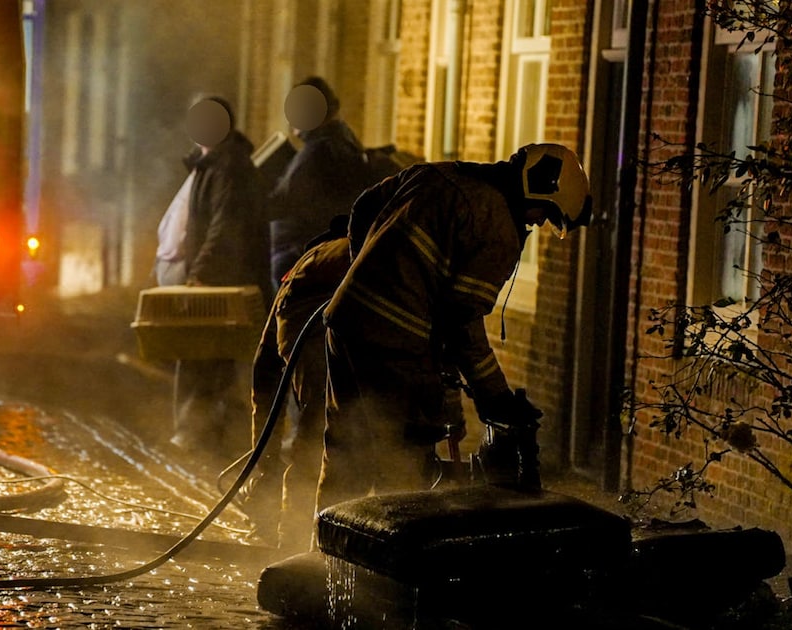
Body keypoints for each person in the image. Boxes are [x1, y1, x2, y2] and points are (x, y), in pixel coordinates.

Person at [314, 143, 593, 515]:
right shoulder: (497, 228)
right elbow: (462, 325)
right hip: (398, 346)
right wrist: (495, 397)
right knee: (403, 470)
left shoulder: (436, 173)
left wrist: (368, 273)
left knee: (345, 452)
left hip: (346, 322)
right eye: (546, 213)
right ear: (537, 191)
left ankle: (324, 546)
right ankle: (394, 548)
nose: (539, 223)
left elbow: (364, 207)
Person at [156, 95, 269, 461]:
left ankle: (204, 438)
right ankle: (203, 436)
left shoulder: (228, 168)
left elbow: (225, 227)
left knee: (209, 356)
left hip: (224, 286)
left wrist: (202, 274)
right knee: (205, 356)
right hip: (215, 282)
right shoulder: (211, 165)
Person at [244, 215, 351, 550]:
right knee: (323, 429)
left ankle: (297, 538)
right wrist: (265, 463)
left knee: (325, 430)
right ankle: (298, 540)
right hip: (316, 330)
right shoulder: (318, 270)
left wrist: (265, 462)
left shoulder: (314, 263)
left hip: (324, 328)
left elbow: (265, 370)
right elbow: (266, 372)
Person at [268, 76, 369, 293]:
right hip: (311, 252)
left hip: (300, 255)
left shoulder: (318, 151)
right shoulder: (341, 142)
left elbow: (288, 200)